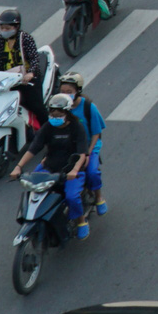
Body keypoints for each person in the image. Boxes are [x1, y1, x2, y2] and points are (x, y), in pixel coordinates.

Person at [10, 92, 94, 240]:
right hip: (49, 167)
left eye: (58, 114)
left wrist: (74, 170)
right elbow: (33, 148)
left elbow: (82, 153)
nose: (55, 117)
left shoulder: (77, 127)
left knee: (72, 196)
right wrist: (18, 166)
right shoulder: (48, 127)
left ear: (67, 113)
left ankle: (81, 222)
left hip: (70, 170)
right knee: (32, 188)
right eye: (52, 114)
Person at [0, 9, 48, 130]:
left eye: (8, 28)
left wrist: (31, 73)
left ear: (16, 27)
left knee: (36, 107)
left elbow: (34, 59)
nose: (4, 31)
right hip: (5, 81)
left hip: (26, 81)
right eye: (2, 28)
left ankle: (47, 132)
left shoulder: (26, 39)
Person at [54, 72, 107, 215]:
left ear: (78, 91)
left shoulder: (89, 107)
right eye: (62, 92)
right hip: (68, 147)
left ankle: (98, 197)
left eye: (69, 92)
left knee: (92, 172)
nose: (65, 95)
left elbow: (96, 132)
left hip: (89, 147)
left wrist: (89, 152)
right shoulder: (58, 107)